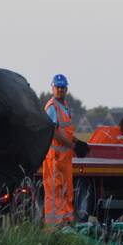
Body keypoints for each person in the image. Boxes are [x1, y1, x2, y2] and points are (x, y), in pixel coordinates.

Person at [42, 74, 76, 226]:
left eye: (63, 87)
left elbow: (66, 131)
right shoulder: (52, 107)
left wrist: (77, 142)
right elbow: (53, 131)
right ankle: (53, 228)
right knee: (54, 193)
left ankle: (67, 222)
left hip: (64, 159)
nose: (60, 90)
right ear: (53, 88)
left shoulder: (65, 106)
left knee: (66, 192)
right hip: (54, 158)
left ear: (66, 88)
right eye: (58, 87)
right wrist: (72, 145)